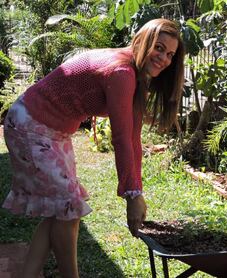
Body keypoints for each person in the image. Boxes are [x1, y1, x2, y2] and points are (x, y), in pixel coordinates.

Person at [2, 18, 185, 278]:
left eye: (170, 54)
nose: (164, 58)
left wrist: (136, 190)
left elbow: (133, 138)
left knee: (62, 211)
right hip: (31, 126)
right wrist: (132, 195)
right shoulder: (121, 72)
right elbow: (121, 138)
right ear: (143, 41)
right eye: (159, 47)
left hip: (53, 132)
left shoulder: (132, 71)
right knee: (67, 209)